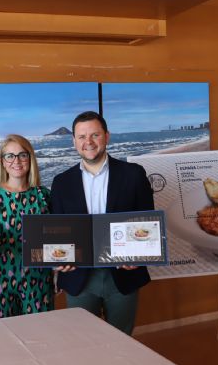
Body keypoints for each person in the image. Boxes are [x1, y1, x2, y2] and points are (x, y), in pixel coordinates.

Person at [50, 111, 154, 335]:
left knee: (122, 341)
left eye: (94, 135)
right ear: (74, 141)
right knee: (82, 343)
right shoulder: (61, 182)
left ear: (107, 136)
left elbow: (148, 223)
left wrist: (140, 256)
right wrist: (59, 261)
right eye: (81, 136)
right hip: (79, 278)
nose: (88, 142)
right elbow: (56, 232)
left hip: (123, 276)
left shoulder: (134, 175)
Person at [0, 134, 53, 319]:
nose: (16, 161)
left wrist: (58, 274)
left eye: (22, 155)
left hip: (39, 278)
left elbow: (54, 239)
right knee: (1, 337)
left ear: (30, 158)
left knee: (40, 333)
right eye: (9, 156)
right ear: (2, 161)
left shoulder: (44, 195)